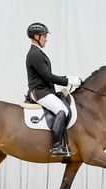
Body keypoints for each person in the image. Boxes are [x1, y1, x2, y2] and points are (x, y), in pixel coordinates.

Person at [25, 22, 81, 157]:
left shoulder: (38, 52)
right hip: (39, 92)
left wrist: (66, 78)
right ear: (36, 36)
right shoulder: (34, 54)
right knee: (61, 110)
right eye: (44, 36)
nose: (46, 39)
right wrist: (67, 80)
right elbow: (47, 76)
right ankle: (56, 146)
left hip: (45, 90)